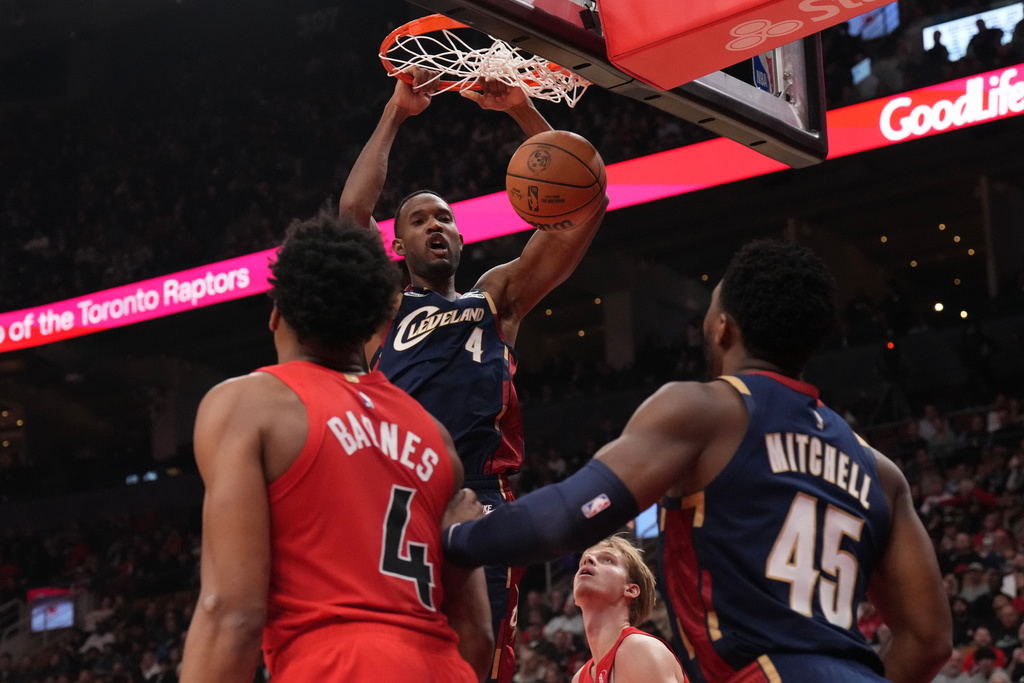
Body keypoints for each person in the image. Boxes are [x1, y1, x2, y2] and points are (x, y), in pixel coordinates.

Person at [445, 240, 952, 683]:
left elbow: (567, 516)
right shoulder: (881, 472)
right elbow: (929, 639)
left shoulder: (706, 410)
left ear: (723, 329)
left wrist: (456, 536)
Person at [339, 72, 607, 683]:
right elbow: (354, 211)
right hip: (397, 503)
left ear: (461, 237)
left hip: (480, 501)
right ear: (398, 247)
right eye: (418, 220)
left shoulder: (496, 299)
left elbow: (581, 206)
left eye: (444, 217)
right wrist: (396, 112)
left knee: (477, 664)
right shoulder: (386, 305)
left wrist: (523, 112)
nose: (435, 225)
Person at [179, 213, 492, 683]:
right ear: (372, 324)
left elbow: (231, 614)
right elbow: (477, 633)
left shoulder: (249, 405)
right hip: (442, 667)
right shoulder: (434, 435)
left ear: (277, 314)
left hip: (332, 665)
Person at [571, 536, 686, 683]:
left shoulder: (639, 649)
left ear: (631, 590)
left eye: (607, 560)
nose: (588, 559)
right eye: (583, 561)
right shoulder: (579, 679)